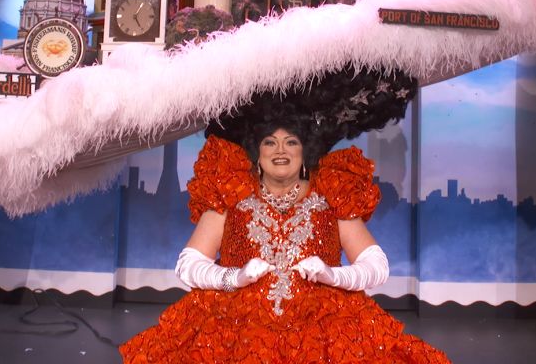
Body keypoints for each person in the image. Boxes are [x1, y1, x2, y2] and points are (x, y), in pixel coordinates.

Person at [119, 112, 450, 363]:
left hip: (323, 324)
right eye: (270, 142)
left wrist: (334, 275)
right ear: (257, 152)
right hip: (235, 323)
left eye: (291, 141)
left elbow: (376, 265)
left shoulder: (332, 195)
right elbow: (188, 264)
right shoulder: (230, 195)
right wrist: (233, 277)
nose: (281, 150)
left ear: (305, 151)